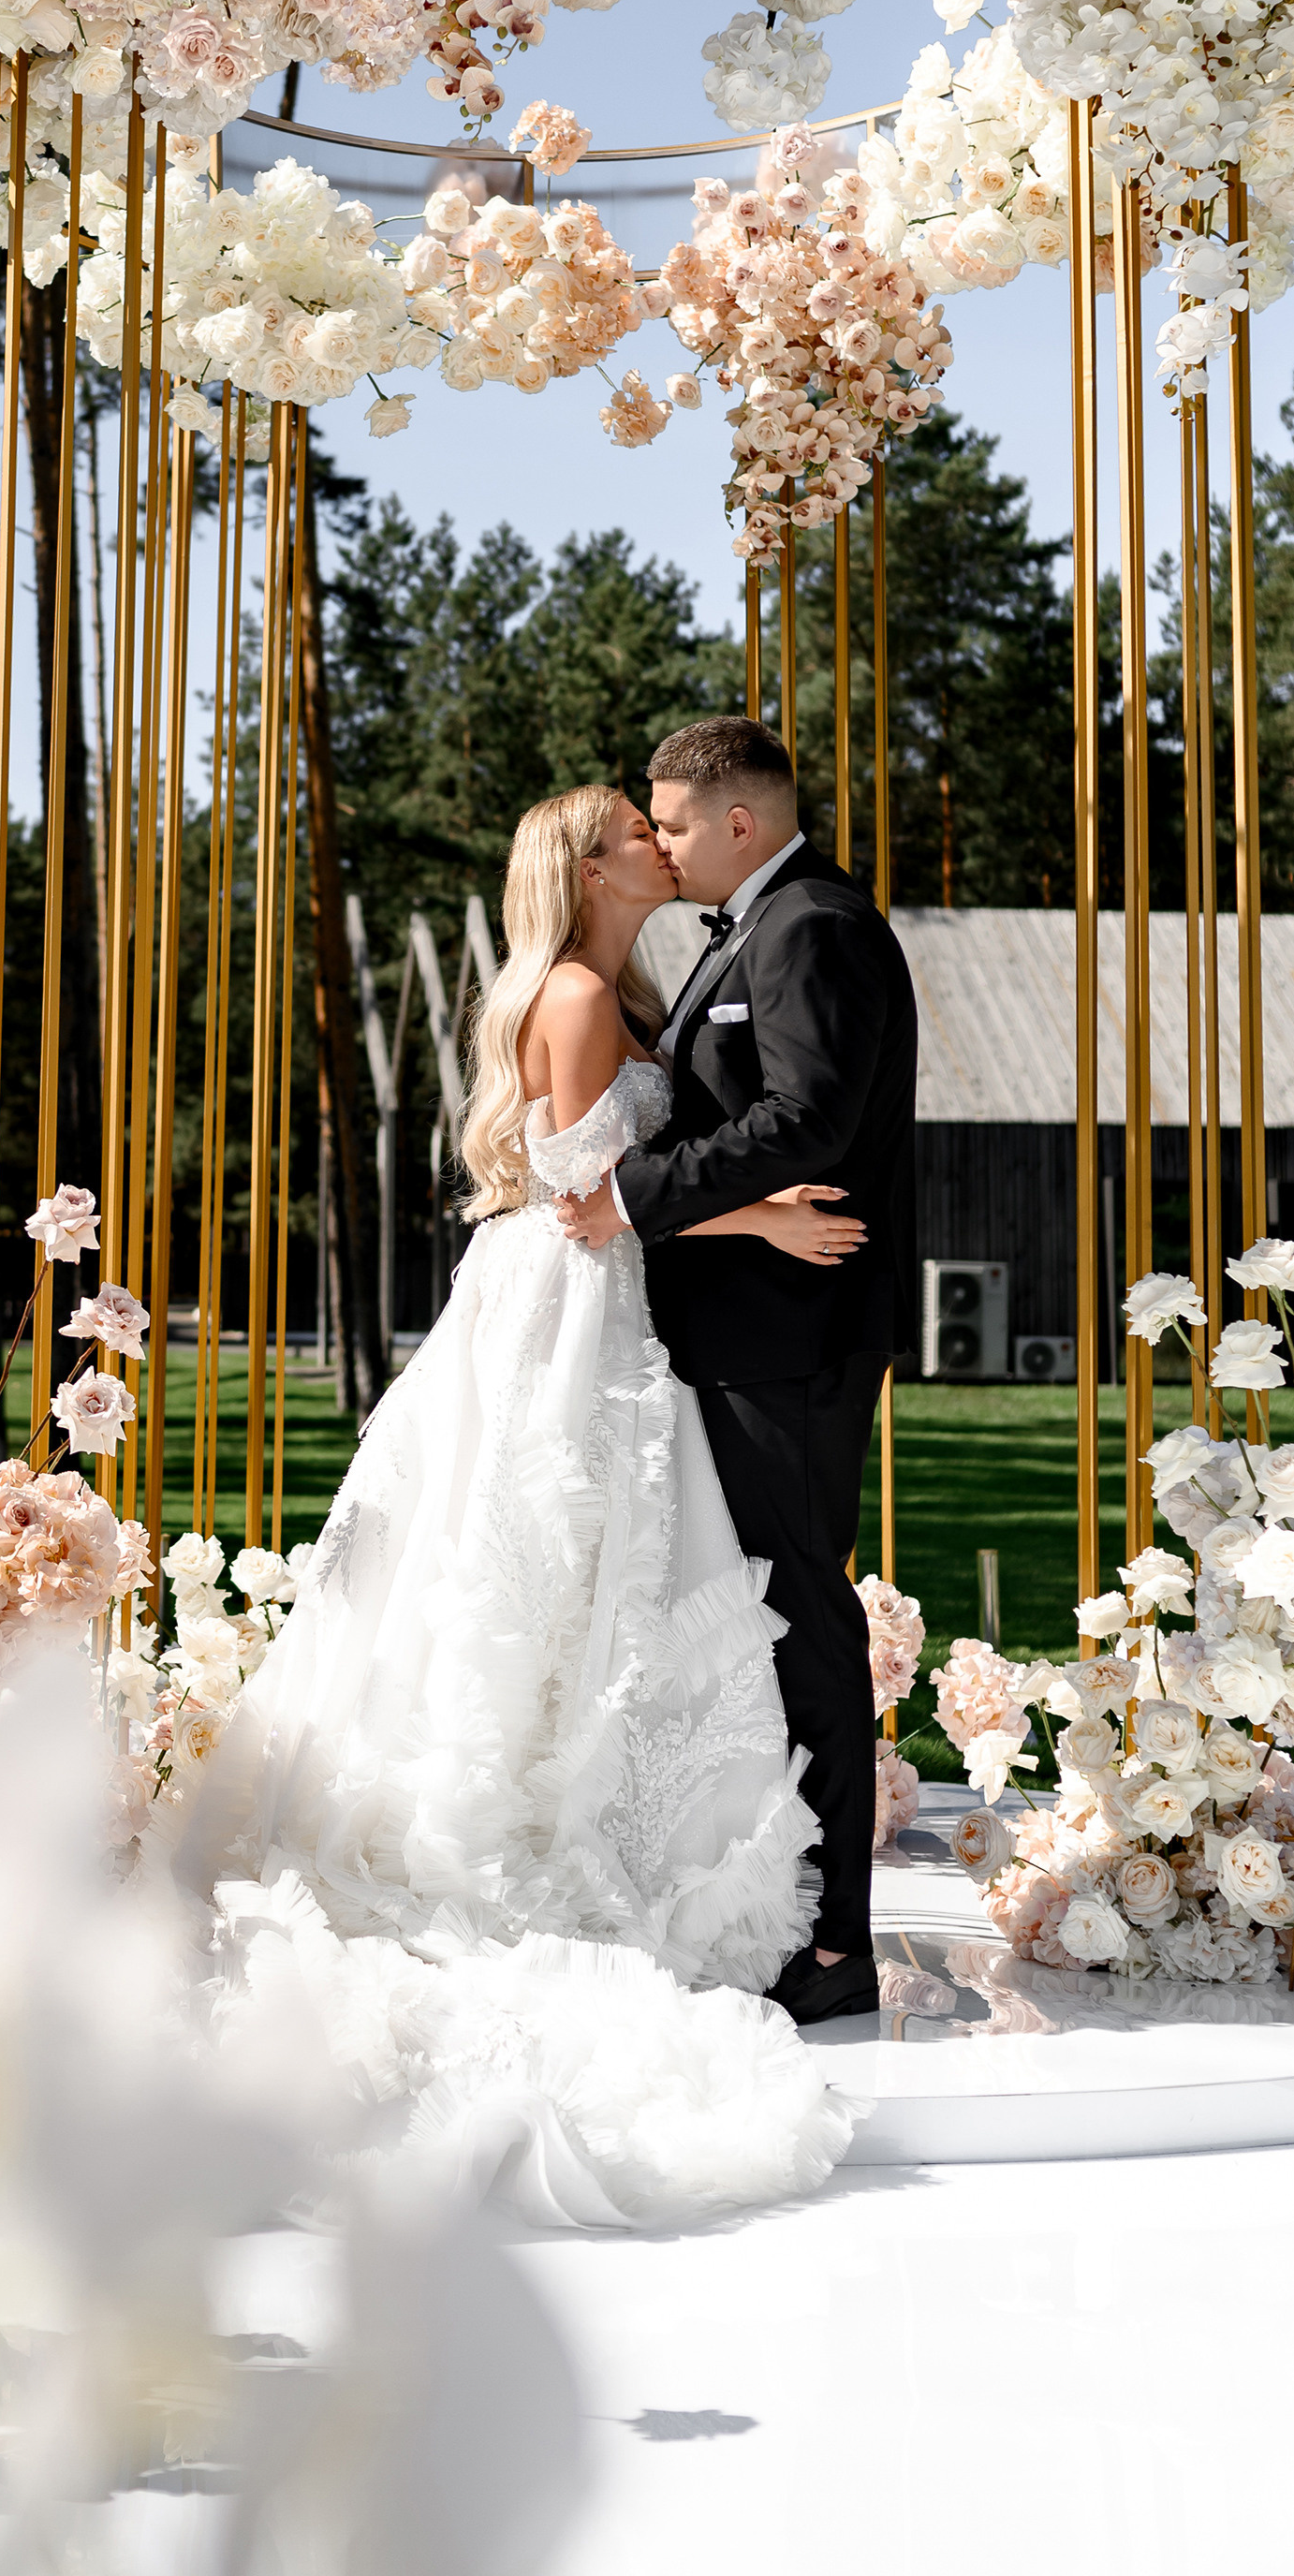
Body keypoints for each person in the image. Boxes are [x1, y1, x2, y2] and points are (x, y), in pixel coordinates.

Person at [188, 783, 867, 2227]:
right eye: (634, 828)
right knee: (538, 1558)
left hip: (593, 1302)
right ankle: (522, 1828)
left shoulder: (614, 988)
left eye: (659, 819)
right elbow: (580, 1185)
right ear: (588, 863)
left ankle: (591, 1800)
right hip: (563, 1301)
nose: (654, 840)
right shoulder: (571, 991)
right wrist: (764, 1213)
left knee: (578, 1569)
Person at [556, 715, 918, 2026]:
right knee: (752, 1609)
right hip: (740, 1325)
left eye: (672, 818)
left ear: (740, 825)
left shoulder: (809, 925)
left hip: (793, 1332)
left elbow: (808, 1120)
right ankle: (759, 1895)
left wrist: (635, 1190)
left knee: (801, 1608)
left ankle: (832, 1945)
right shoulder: (746, 934)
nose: (659, 839)